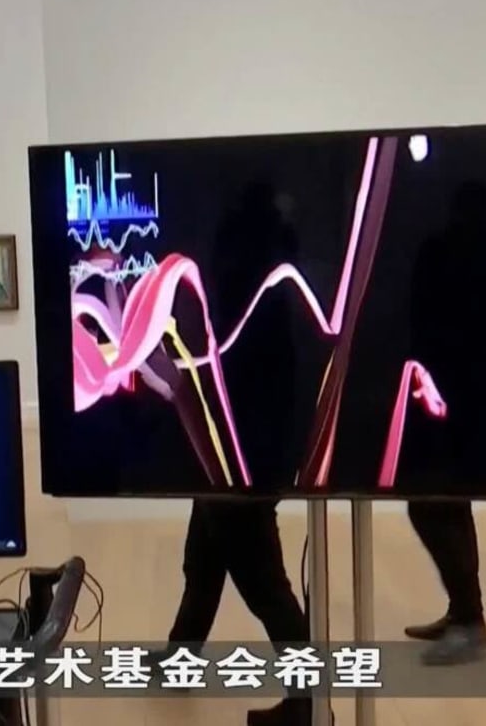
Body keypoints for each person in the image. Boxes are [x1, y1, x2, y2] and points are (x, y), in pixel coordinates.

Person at [166, 181, 310, 726]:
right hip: (237, 460)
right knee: (203, 560)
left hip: (243, 465)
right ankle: (180, 657)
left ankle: (307, 703)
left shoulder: (254, 305)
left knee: (264, 584)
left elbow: (246, 389)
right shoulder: (266, 298)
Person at [402, 180, 486, 666]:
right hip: (458, 388)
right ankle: (466, 612)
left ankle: (469, 619)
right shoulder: (482, 250)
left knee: (430, 502)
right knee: (448, 500)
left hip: (454, 390)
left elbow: (429, 317)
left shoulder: (459, 250)